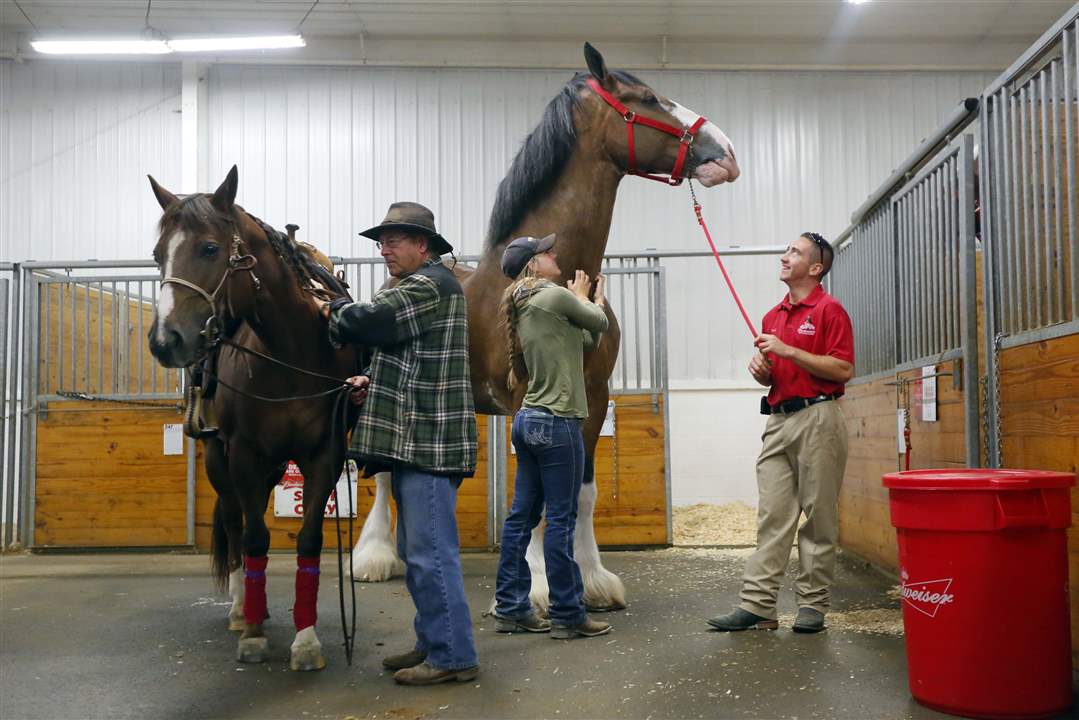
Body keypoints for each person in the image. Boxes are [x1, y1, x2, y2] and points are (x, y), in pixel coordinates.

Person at [317, 202, 479, 685]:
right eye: (380, 242)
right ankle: (433, 641)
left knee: (431, 555)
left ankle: (452, 656)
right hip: (416, 440)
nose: (384, 249)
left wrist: (328, 307)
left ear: (422, 245)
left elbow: (367, 321)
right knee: (417, 551)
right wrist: (373, 381)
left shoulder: (429, 285)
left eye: (393, 240)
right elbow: (403, 355)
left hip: (428, 444)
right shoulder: (422, 286)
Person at [708, 231, 854, 634]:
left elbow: (843, 370)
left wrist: (788, 352)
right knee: (772, 516)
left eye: (795, 252)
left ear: (816, 267)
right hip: (778, 419)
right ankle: (758, 606)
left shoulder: (829, 310)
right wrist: (763, 372)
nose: (784, 256)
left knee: (818, 516)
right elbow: (776, 373)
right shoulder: (773, 316)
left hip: (819, 418)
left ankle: (812, 606)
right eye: (787, 250)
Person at [492, 233, 613, 640]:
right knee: (561, 519)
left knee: (520, 518)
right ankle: (567, 612)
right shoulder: (552, 294)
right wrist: (587, 298)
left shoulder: (525, 303)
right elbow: (599, 323)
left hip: (528, 421)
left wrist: (583, 307)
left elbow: (585, 342)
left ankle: (510, 606)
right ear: (532, 265)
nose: (553, 254)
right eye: (545, 253)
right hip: (559, 423)